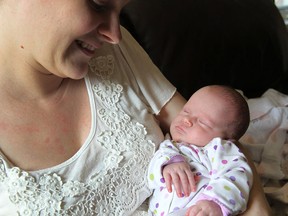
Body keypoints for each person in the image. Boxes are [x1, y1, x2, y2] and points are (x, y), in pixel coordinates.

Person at [0, 1, 271, 216]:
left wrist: (251, 208)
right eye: (98, 3)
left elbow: (217, 132)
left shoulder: (112, 51)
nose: (115, 34)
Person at [148, 85, 253, 216]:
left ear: (226, 138)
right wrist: (169, 164)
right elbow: (150, 178)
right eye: (186, 111)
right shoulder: (169, 146)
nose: (187, 120)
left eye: (203, 122)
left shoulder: (219, 149)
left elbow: (238, 173)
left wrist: (215, 202)